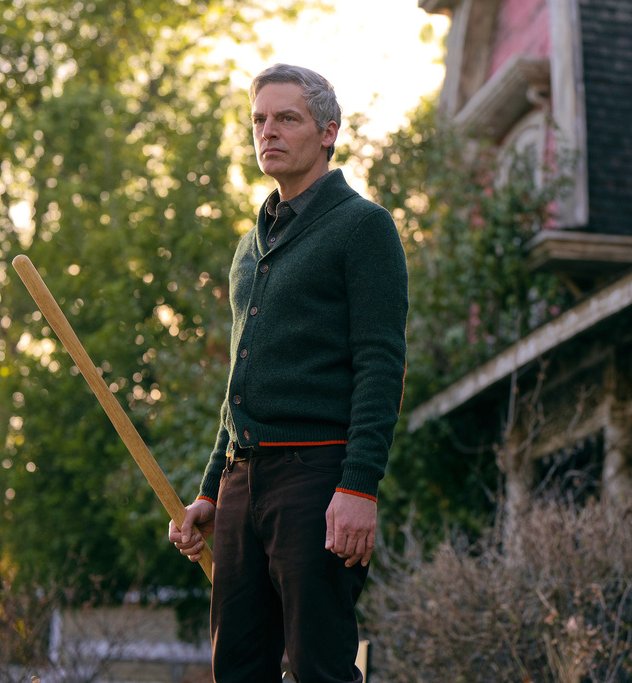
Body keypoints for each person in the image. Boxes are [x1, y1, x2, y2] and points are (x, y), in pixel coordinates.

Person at [168, 63, 408, 683]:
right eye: (259, 120)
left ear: (328, 131)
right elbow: (237, 385)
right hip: (242, 485)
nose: (267, 132)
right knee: (237, 670)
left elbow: (381, 364)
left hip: (318, 479)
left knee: (318, 669)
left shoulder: (364, 227)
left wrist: (359, 486)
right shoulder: (249, 251)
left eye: (286, 118)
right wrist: (209, 489)